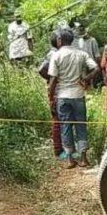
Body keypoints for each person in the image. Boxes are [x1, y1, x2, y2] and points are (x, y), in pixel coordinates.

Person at [47, 29, 99, 168]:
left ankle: (70, 158)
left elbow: (53, 80)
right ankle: (83, 158)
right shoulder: (82, 53)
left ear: (59, 40)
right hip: (78, 95)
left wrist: (51, 97)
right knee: (81, 125)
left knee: (66, 126)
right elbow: (96, 68)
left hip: (63, 96)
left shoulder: (56, 55)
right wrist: (86, 78)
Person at [38, 31, 63, 159]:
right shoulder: (53, 54)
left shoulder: (55, 53)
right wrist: (52, 78)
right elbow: (41, 69)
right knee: (57, 119)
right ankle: (58, 149)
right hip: (55, 90)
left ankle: (61, 147)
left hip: (57, 89)